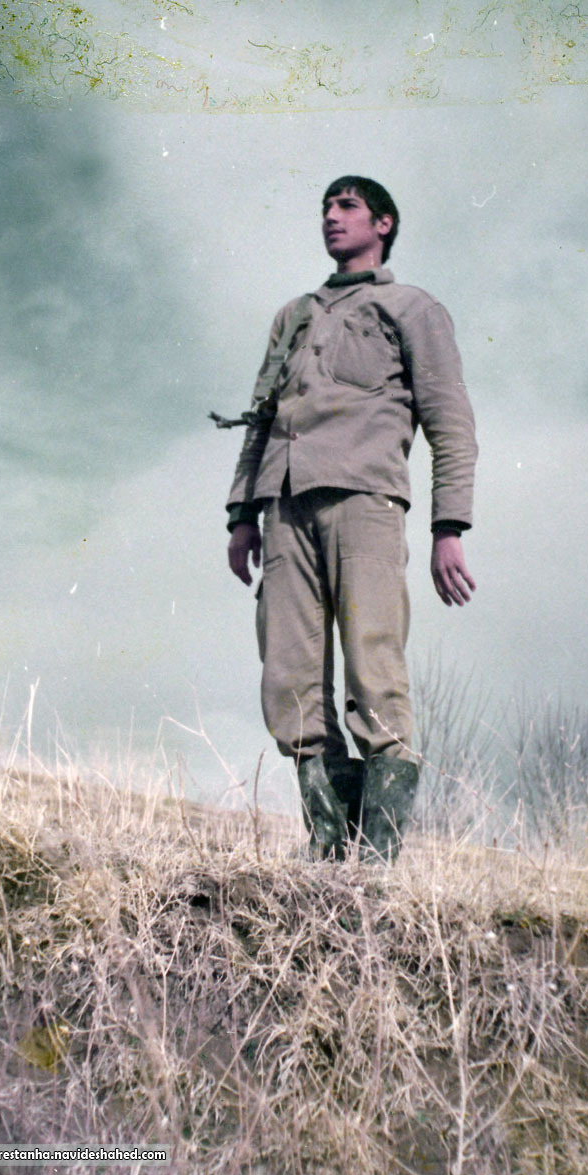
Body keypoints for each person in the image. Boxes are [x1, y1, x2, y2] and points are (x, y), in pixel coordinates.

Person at [224, 175, 478, 862]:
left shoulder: (411, 308)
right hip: (284, 506)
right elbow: (261, 418)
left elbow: (451, 423)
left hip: (365, 502)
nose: (331, 218)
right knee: (289, 679)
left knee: (374, 670)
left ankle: (377, 862)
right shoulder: (293, 316)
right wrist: (241, 514)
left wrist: (448, 528)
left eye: (347, 207)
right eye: (326, 209)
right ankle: (329, 850)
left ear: (383, 223)